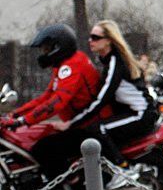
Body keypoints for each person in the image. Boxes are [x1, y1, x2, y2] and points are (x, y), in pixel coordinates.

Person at [2, 23, 101, 180]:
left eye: (47, 48)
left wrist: (23, 121)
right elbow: (46, 97)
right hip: (79, 123)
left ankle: (70, 188)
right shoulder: (64, 65)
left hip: (89, 125)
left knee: (43, 149)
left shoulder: (73, 66)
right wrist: (15, 115)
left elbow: (57, 102)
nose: (44, 53)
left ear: (59, 47)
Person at [70, 20, 158, 188]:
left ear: (109, 40)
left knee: (97, 129)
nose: (91, 41)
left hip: (140, 115)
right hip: (132, 114)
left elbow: (101, 99)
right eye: (90, 37)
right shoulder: (110, 61)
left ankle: (122, 170)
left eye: (95, 37)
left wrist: (72, 122)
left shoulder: (115, 63)